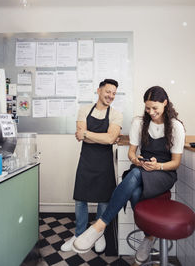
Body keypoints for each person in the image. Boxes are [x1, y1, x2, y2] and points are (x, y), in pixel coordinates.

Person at [72, 86, 185, 265]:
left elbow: (175, 163)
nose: (151, 112)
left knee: (133, 176)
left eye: (155, 108)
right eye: (148, 108)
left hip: (164, 173)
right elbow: (131, 154)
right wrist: (138, 160)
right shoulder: (139, 123)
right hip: (142, 168)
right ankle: (148, 238)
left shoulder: (176, 127)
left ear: (165, 103)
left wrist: (158, 166)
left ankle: (100, 225)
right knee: (134, 185)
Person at [61, 79, 123, 253]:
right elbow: (81, 137)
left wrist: (87, 133)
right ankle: (79, 233)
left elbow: (109, 139)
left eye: (114, 93)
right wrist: (102, 137)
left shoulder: (116, 114)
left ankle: (98, 232)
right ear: (99, 90)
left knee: (104, 199)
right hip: (86, 160)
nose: (111, 96)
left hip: (104, 162)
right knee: (81, 198)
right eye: (108, 91)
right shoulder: (84, 110)